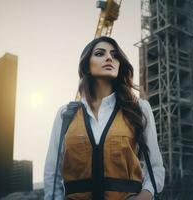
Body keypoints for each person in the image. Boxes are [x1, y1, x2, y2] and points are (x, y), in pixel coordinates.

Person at [44, 36, 165, 200]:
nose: (109, 58)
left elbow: (155, 167)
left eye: (115, 55)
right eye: (100, 53)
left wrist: (145, 195)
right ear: (87, 65)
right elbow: (53, 173)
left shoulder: (139, 109)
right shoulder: (66, 114)